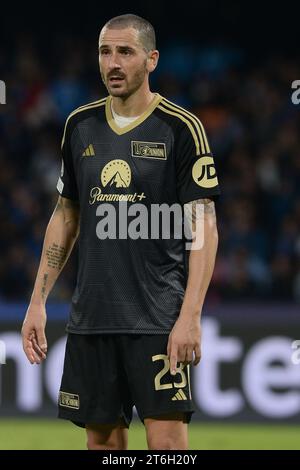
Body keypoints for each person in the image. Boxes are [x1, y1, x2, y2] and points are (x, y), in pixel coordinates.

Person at [21, 14, 220, 450]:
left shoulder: (181, 127)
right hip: (92, 319)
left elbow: (203, 225)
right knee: (103, 447)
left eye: (125, 52)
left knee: (167, 447)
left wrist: (191, 316)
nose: (112, 62)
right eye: (104, 51)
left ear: (151, 60)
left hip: (157, 319)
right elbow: (66, 215)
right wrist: (37, 301)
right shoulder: (79, 125)